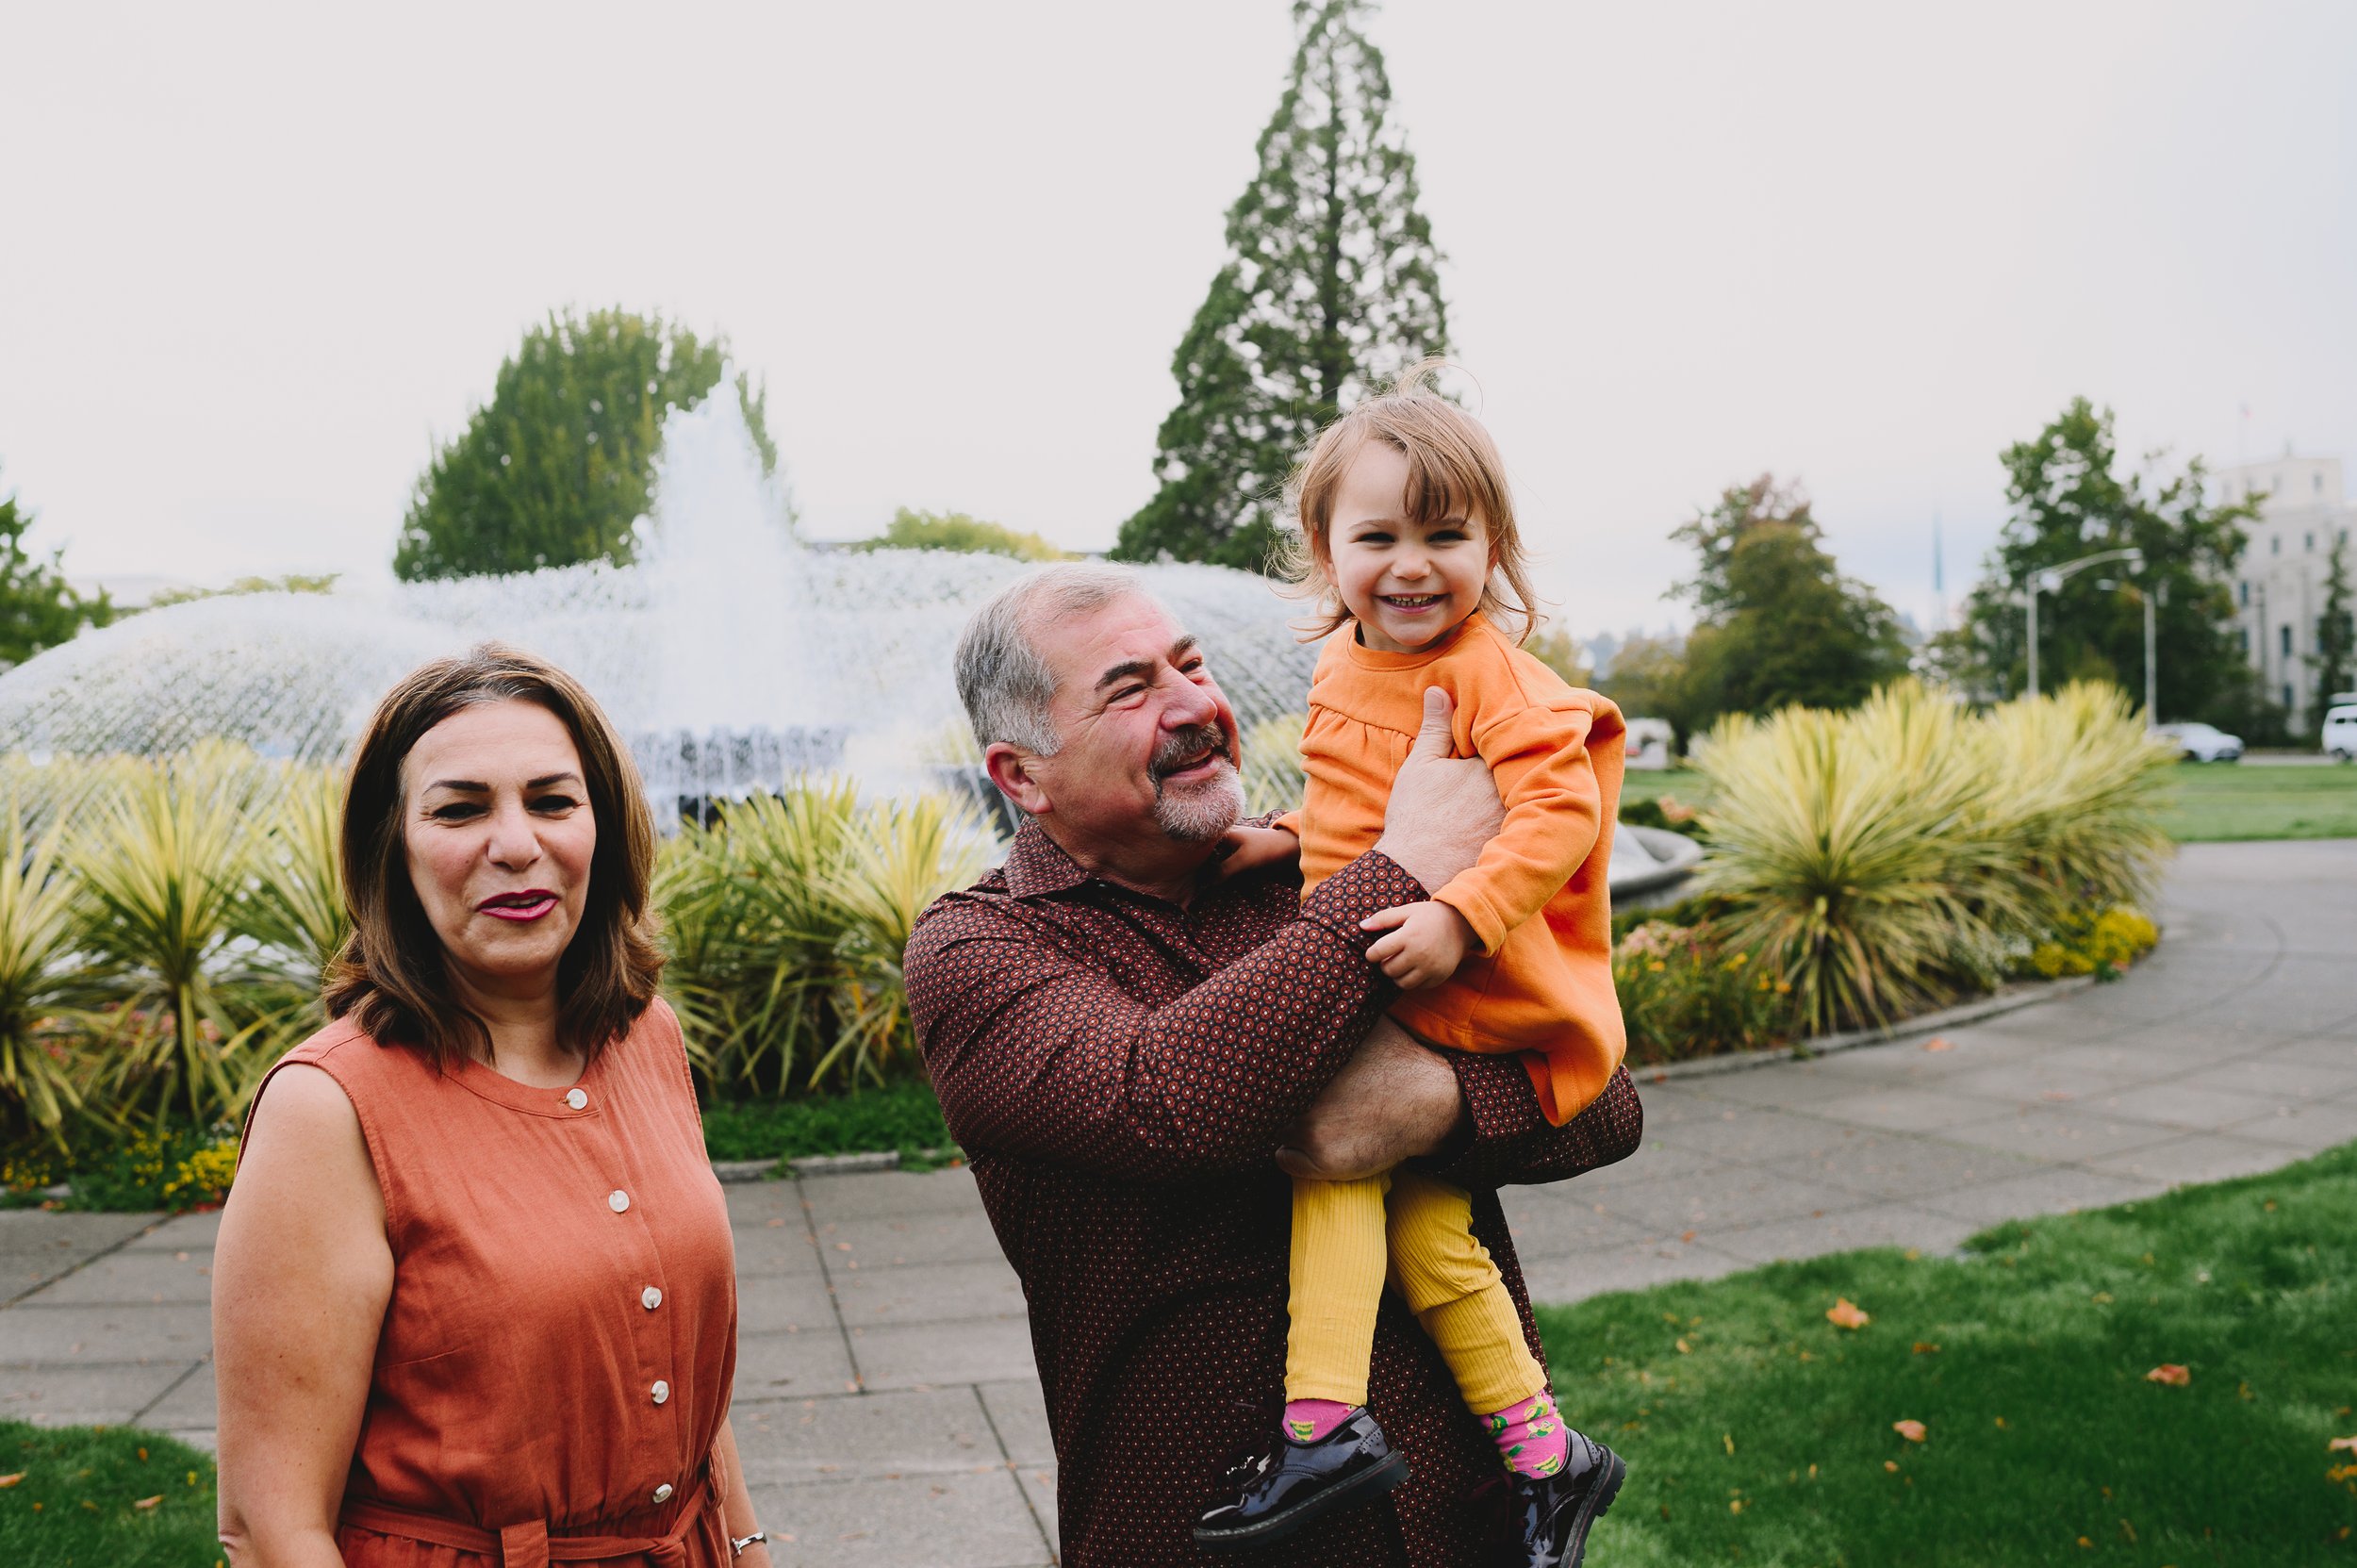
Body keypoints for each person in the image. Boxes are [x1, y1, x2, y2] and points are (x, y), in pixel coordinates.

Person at [904, 565, 1643, 1566]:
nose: (1195, 705)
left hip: (1467, 1518)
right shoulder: (980, 951)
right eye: (1129, 688)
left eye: (1193, 664)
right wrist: (1402, 859)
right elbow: (1162, 1103)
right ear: (1021, 774)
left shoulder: (1313, 876)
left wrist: (1438, 1103)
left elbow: (1605, 1098)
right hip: (1194, 1532)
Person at [212, 645, 774, 1568]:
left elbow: (677, 1390)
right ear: (391, 846)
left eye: (552, 800)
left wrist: (747, 1549)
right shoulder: (329, 1110)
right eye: (459, 808)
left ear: (604, 827)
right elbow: (271, 1528)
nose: (516, 843)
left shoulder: (648, 1040)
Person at [1200, 367, 1629, 1564]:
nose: (1411, 564)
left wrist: (1460, 918)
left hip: (1468, 976)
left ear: (1493, 544)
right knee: (1431, 1238)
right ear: (1325, 546)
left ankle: (1322, 1419)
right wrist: (1283, 842)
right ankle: (1550, 1456)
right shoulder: (1345, 660)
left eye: (1446, 534)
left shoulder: (1485, 668)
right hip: (1402, 956)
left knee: (1333, 1156)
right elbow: (1370, 812)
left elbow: (1554, 812)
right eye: (1376, 533)